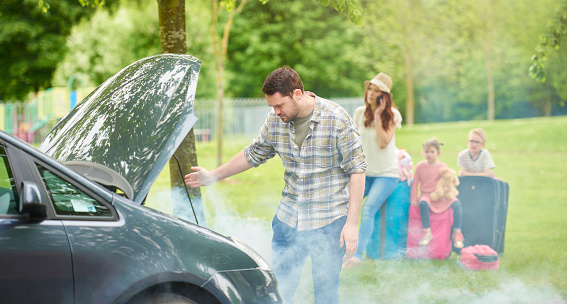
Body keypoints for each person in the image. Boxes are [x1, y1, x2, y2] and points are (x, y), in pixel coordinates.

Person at [184, 66, 366, 304]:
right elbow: (253, 154)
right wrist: (212, 176)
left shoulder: (337, 118)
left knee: (325, 293)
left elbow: (357, 169)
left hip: (329, 222)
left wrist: (351, 224)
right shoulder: (275, 120)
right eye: (271, 106)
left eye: (279, 106)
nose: (275, 111)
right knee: (278, 291)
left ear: (297, 94)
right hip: (288, 220)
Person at [342, 72, 402, 269]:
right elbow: (352, 143)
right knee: (345, 206)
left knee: (367, 210)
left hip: (386, 175)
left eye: (377, 90)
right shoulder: (359, 113)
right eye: (370, 88)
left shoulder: (393, 114)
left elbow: (384, 143)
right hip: (364, 174)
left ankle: (356, 257)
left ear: (384, 96)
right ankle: (341, 251)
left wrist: (378, 115)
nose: (371, 92)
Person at [410, 138, 464, 249]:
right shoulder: (420, 166)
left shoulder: (442, 167)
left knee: (457, 204)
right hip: (426, 195)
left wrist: (445, 190)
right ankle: (427, 231)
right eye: (426, 152)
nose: (429, 154)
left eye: (432, 152)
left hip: (439, 196)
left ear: (438, 153)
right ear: (423, 152)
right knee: (423, 204)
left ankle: (457, 232)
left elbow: (446, 182)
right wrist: (414, 198)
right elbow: (415, 184)